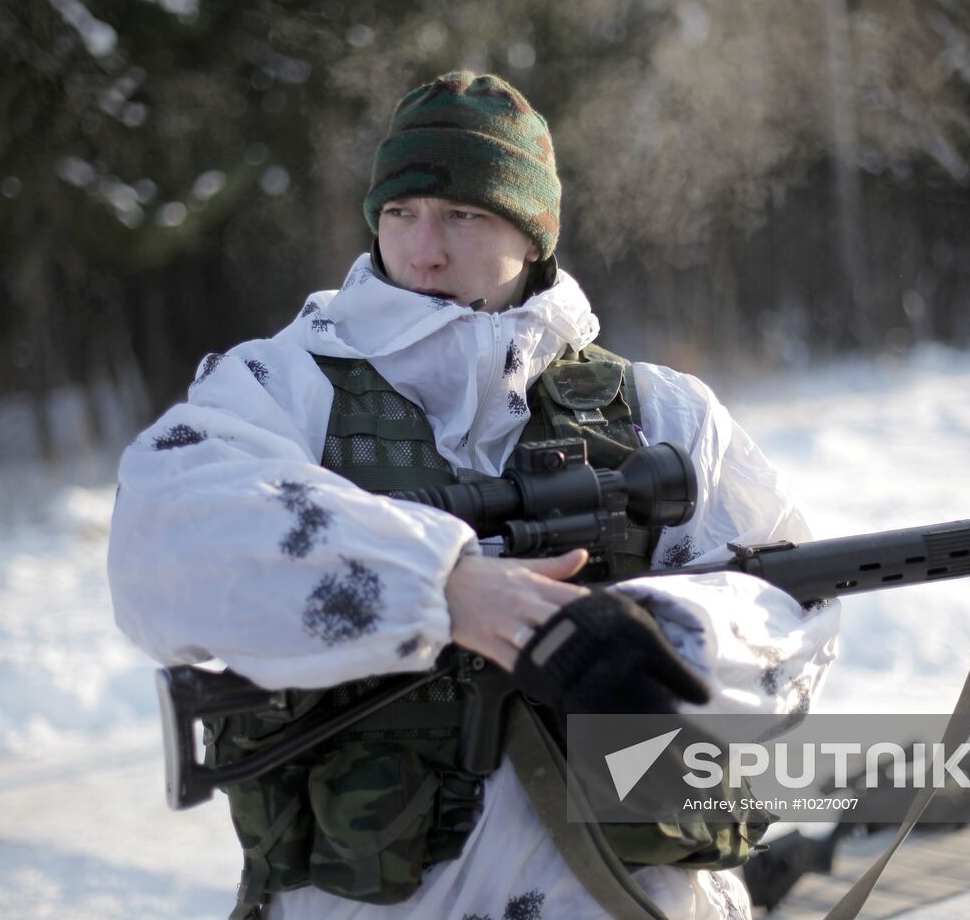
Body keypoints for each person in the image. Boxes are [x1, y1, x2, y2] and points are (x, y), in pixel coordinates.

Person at [109, 71, 840, 920]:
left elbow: (796, 611)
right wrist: (442, 587)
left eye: (464, 214)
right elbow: (162, 530)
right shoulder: (286, 384)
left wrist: (659, 646)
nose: (423, 250)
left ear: (533, 236)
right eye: (400, 214)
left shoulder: (660, 413)